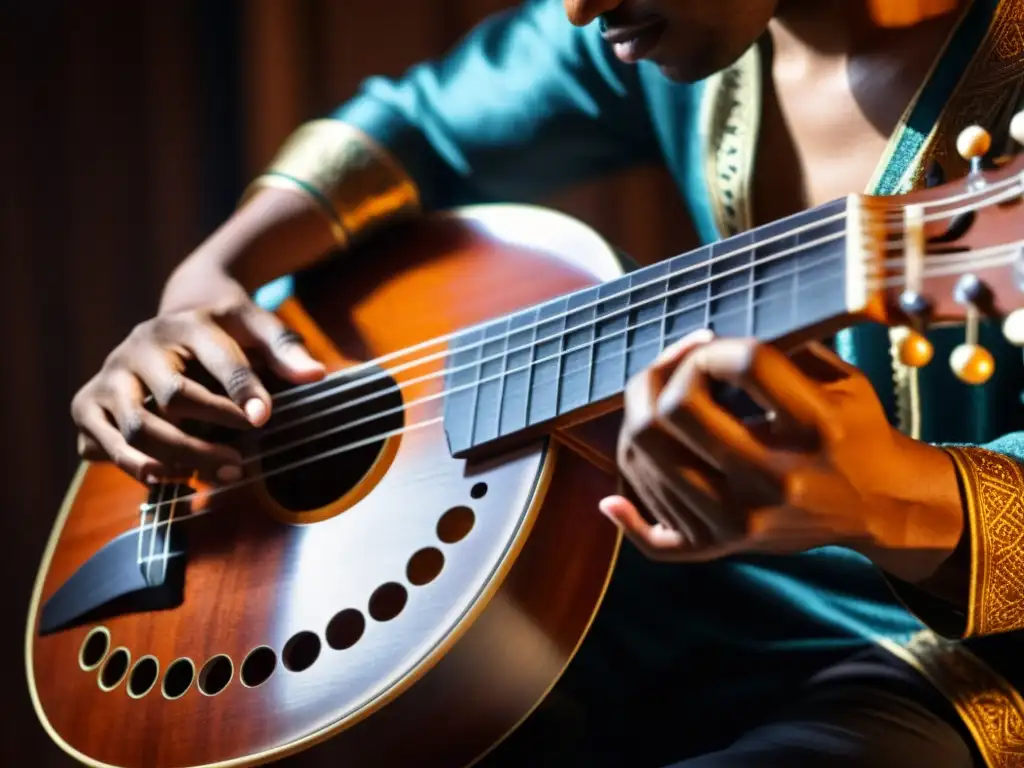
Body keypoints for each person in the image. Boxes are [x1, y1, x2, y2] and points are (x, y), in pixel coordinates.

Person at [68, 0, 1024, 765]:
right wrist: (211, 280)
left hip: (963, 666)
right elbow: (419, 125)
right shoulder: (687, 36)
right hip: (674, 599)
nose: (577, 10)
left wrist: (896, 497)